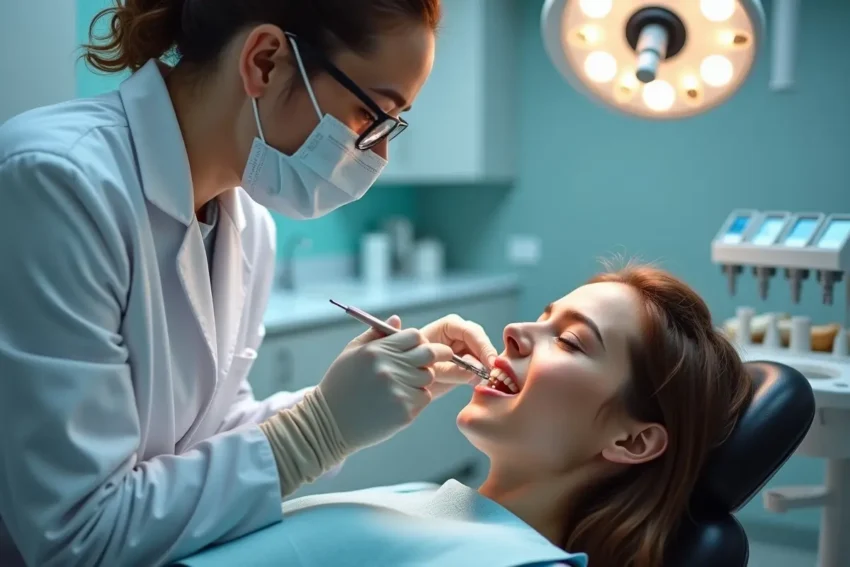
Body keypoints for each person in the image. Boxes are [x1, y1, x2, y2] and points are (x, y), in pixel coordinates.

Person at [0, 1, 499, 566]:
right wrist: (322, 428)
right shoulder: (58, 181)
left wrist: (342, 404)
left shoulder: (248, 223)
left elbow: (207, 438)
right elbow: (75, 538)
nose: (378, 152)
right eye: (370, 115)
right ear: (265, 61)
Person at [172, 264, 755, 567]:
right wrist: (321, 418)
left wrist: (322, 429)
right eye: (543, 316)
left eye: (572, 342)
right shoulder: (441, 504)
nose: (516, 331)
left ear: (633, 441)